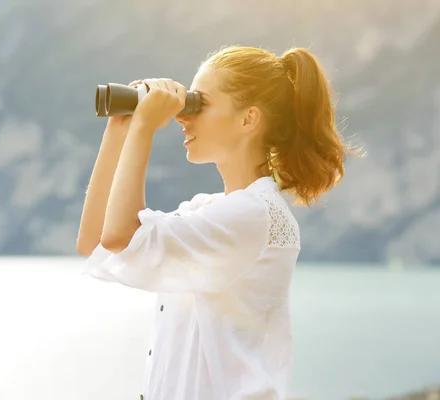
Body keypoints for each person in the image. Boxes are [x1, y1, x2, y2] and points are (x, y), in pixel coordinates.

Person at [77, 45, 353, 400]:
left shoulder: (254, 215)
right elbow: (95, 241)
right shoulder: (210, 210)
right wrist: (121, 129)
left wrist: (145, 127)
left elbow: (120, 236)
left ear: (248, 119)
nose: (182, 117)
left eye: (198, 103)